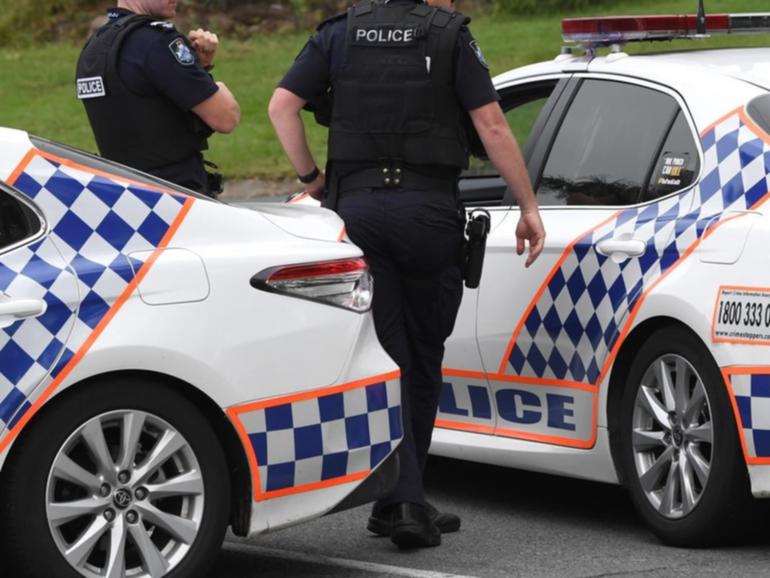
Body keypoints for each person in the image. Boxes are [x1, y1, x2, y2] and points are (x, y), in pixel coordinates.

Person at [269, 0, 545, 549]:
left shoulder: (340, 33)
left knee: (386, 355)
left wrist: (311, 178)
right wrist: (528, 206)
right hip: (426, 214)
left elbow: (282, 106)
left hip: (360, 213)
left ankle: (399, 499)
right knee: (422, 357)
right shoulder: (450, 36)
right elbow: (490, 123)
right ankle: (409, 504)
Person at [76, 0, 240, 197]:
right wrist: (215, 85)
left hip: (125, 198)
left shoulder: (94, 47)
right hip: (178, 199)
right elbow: (226, 118)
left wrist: (199, 66)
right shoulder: (156, 41)